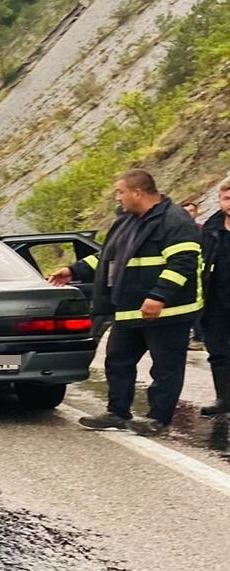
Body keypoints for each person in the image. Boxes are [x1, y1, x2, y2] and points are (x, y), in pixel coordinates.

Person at [48, 169, 202, 436]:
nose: (117, 197)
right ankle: (117, 413)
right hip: (129, 308)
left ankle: (158, 419)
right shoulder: (126, 222)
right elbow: (107, 258)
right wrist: (74, 271)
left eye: (120, 192)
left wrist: (158, 297)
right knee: (117, 361)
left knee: (165, 368)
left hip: (167, 312)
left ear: (138, 192)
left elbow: (183, 263)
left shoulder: (175, 221)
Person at [197, 182, 230, 414]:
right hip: (215, 301)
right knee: (218, 352)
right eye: (227, 198)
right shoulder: (210, 229)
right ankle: (224, 400)